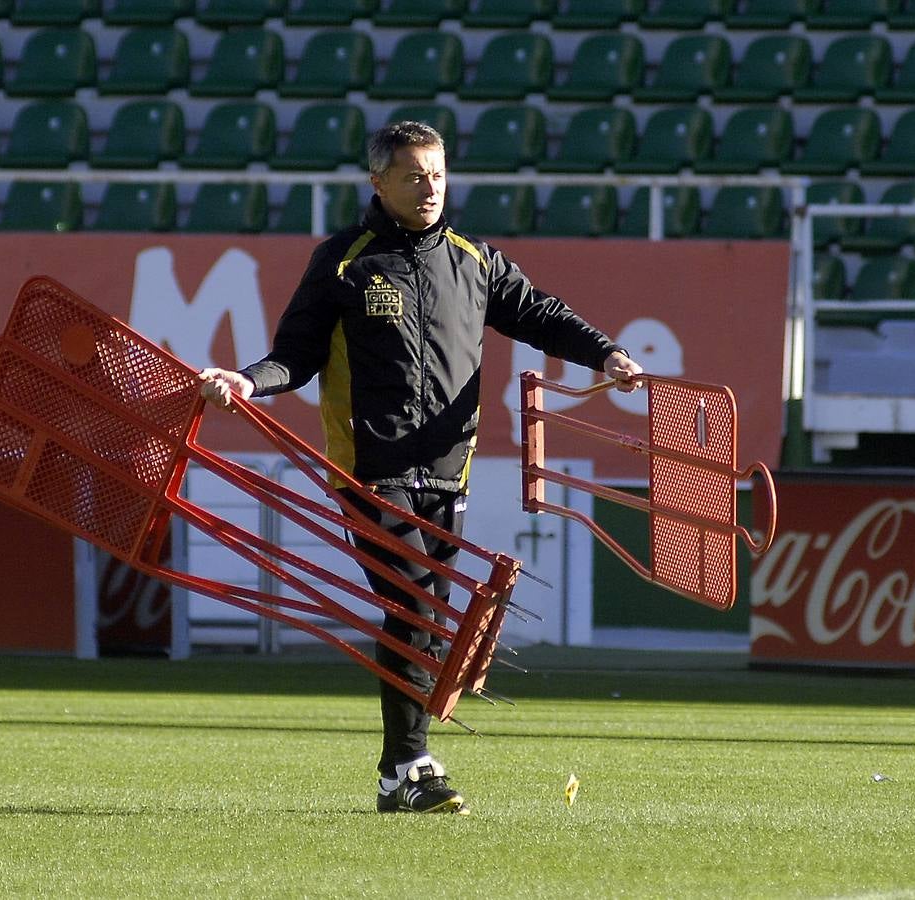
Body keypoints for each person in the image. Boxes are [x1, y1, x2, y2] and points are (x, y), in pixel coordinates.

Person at [199, 121, 642, 815]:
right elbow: (297, 352)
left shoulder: (474, 260)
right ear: (377, 182)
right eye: (412, 176)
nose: (428, 188)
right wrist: (252, 382)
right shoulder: (344, 260)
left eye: (436, 174)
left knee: (427, 621)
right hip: (368, 469)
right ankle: (411, 766)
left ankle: (395, 775)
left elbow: (540, 315)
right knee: (413, 607)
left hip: (447, 471)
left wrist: (605, 354)